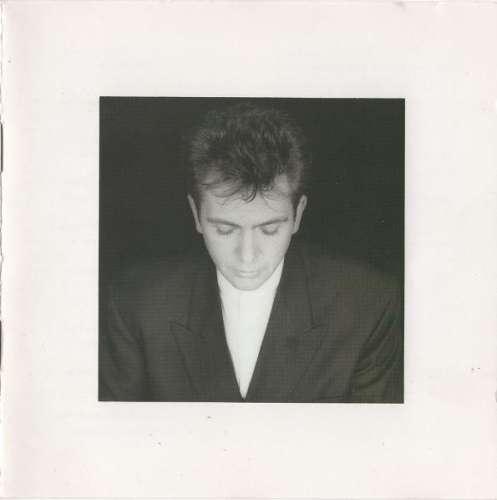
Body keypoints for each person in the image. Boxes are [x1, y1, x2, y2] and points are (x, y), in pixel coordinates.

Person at [99, 102, 403, 403]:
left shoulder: (368, 305)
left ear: (298, 215)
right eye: (225, 229)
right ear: (196, 215)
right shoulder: (136, 303)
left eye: (269, 229)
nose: (247, 256)